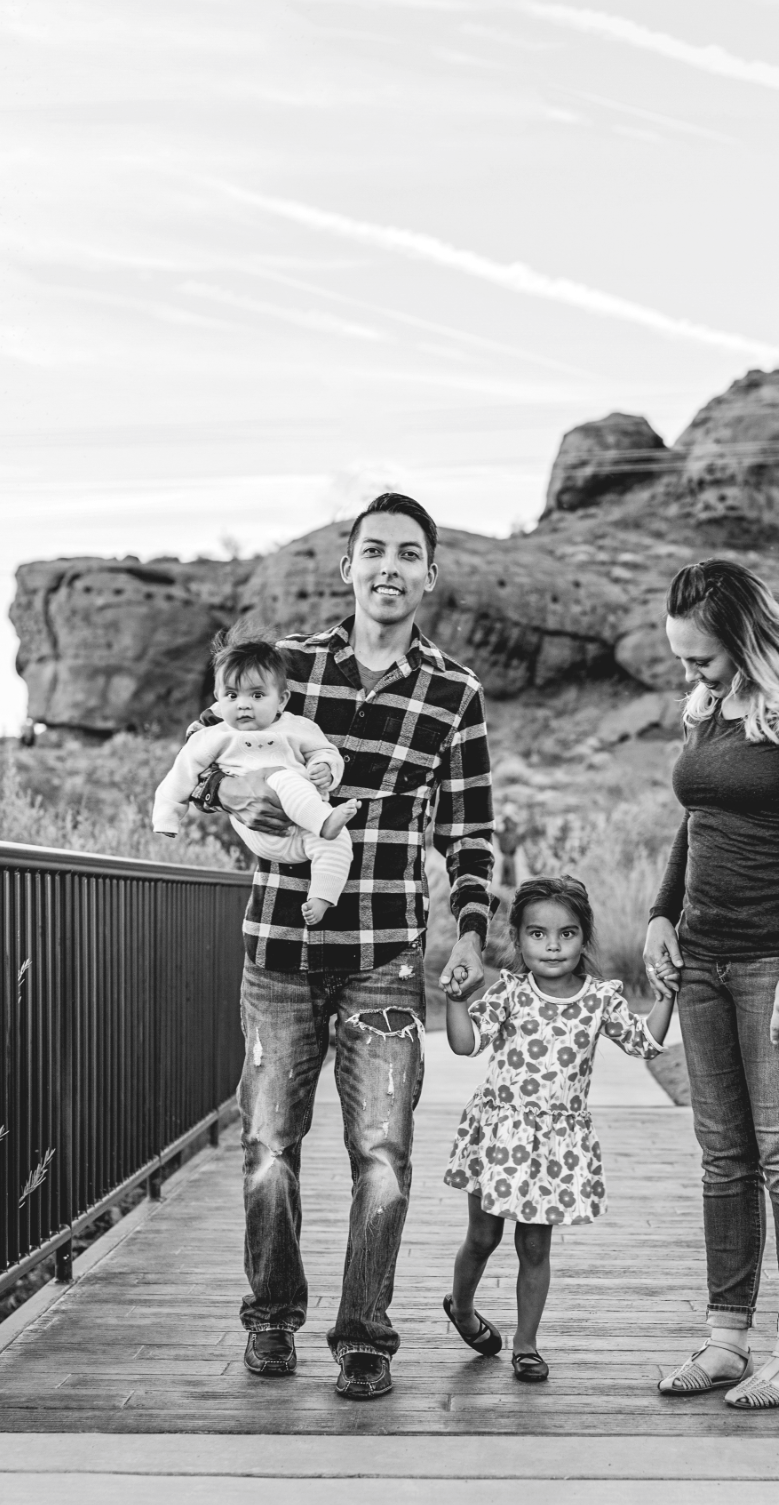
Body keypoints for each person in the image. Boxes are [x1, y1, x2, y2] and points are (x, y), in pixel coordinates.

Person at [189, 492, 494, 1401]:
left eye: (408, 553)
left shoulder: (455, 693)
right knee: (270, 1149)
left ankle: (364, 1334)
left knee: (384, 1157)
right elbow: (205, 759)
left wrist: (470, 926)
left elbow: (471, 832)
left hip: (387, 958)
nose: (389, 567)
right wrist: (220, 799)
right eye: (374, 551)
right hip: (277, 951)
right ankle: (272, 1318)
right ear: (348, 566)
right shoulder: (284, 669)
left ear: (429, 576)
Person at [644, 559, 779, 1410]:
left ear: (741, 636)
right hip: (703, 960)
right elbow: (695, 823)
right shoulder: (709, 712)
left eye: (702, 659)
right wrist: (662, 914)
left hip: (778, 960)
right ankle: (728, 1339)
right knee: (723, 1159)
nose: (691, 676)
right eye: (684, 662)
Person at [441, 876, 674, 1383]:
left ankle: (525, 1343)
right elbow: (465, 1044)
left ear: (583, 937)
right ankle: (461, 1308)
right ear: (519, 939)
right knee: (482, 1237)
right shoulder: (509, 992)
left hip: (553, 1147)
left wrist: (665, 996)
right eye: (538, 934)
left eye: (567, 934)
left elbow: (645, 1044)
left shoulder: (599, 999)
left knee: (535, 1247)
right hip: (500, 1134)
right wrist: (457, 999)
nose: (552, 945)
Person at [153, 636, 360, 925]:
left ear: (282, 700)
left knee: (337, 843)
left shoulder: (298, 728)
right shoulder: (213, 736)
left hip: (301, 834)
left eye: (257, 695)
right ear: (218, 699)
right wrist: (167, 818)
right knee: (283, 778)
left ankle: (321, 897)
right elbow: (180, 775)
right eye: (232, 696)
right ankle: (325, 822)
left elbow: (325, 751)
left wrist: (324, 767)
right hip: (261, 829)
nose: (244, 705)